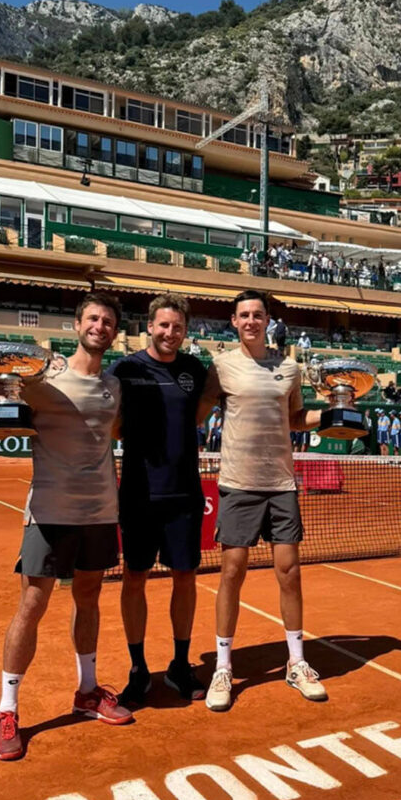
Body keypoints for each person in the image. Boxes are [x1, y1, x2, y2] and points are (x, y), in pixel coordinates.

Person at [0, 291, 131, 761]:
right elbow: (0, 400)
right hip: (49, 511)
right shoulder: (40, 380)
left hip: (99, 513)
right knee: (32, 603)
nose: (100, 326)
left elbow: (117, 434)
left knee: (88, 598)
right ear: (76, 325)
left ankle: (87, 690)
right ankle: (8, 709)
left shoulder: (114, 388)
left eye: (108, 321)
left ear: (114, 331)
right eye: (93, 318)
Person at [199, 290, 326, 712]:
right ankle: (223, 667)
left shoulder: (289, 368)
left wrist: (337, 412)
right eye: (244, 315)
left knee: (289, 572)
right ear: (233, 321)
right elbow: (197, 414)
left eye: (258, 315)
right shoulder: (221, 366)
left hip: (281, 483)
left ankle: (296, 662)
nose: (251, 321)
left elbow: (294, 419)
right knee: (232, 572)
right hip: (238, 483)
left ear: (268, 320)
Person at [110, 294, 208, 707]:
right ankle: (138, 669)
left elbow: (200, 414)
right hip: (138, 493)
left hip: (185, 493)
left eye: (178, 327)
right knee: (135, 577)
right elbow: (113, 425)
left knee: (185, 578)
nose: (171, 333)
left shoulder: (194, 370)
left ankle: (180, 665)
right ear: (149, 326)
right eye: (164, 325)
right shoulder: (126, 369)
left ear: (186, 331)